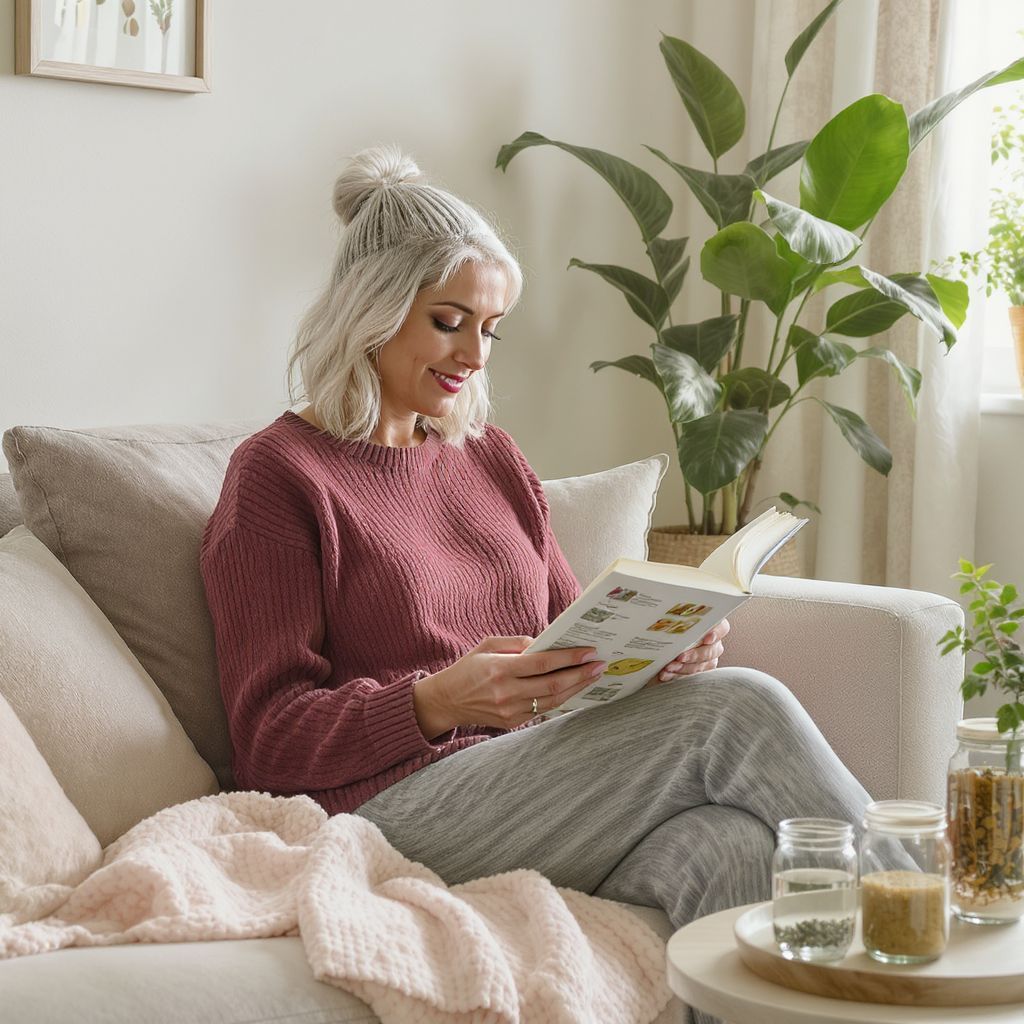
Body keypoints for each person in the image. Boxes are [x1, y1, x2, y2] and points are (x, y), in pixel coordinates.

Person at [199, 144, 871, 1024]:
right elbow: (267, 740)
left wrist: (665, 650)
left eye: (490, 327)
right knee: (738, 710)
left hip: (535, 789)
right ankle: (947, 930)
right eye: (450, 321)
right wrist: (436, 701)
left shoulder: (490, 459)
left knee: (732, 848)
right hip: (391, 808)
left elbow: (571, 633)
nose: (475, 354)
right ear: (373, 310)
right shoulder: (280, 477)